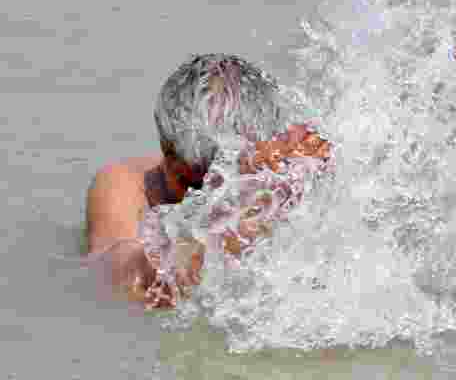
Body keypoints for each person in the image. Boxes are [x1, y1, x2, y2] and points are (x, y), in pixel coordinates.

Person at [86, 53, 326, 305]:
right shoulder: (129, 184)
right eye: (195, 185)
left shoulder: (298, 170)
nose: (208, 197)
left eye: (227, 180)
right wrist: (242, 221)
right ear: (166, 150)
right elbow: (116, 272)